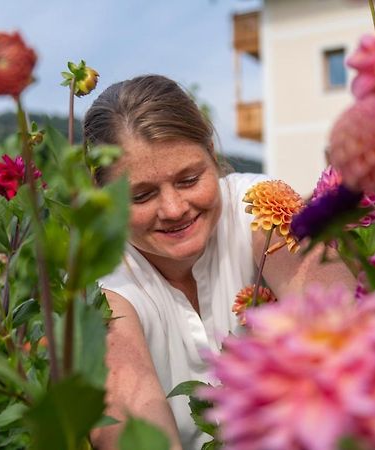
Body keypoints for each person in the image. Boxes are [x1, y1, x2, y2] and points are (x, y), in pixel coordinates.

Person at [84, 75, 356, 450]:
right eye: (142, 195)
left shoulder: (260, 203)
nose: (174, 209)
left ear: (212, 153)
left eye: (189, 179)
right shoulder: (99, 278)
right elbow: (138, 435)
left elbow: (345, 333)